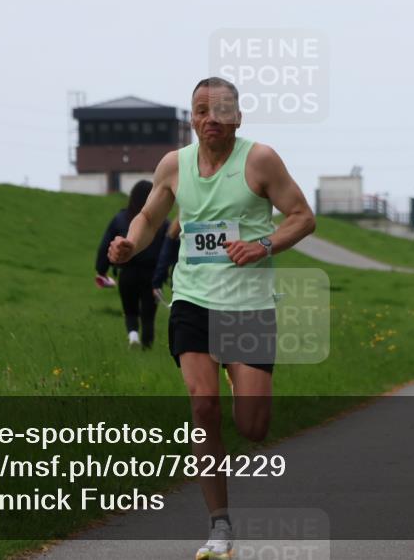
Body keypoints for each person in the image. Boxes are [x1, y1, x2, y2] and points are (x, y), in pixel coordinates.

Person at [108, 76, 315, 560]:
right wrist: (128, 245)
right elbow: (149, 219)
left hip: (248, 307)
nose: (211, 118)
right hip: (193, 301)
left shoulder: (259, 159)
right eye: (201, 110)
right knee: (203, 409)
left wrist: (261, 245)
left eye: (221, 110)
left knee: (253, 426)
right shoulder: (174, 165)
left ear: (238, 116)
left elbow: (303, 216)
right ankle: (219, 528)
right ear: (192, 118)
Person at [96, 180, 169, 349]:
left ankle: (133, 336)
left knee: (130, 309)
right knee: (148, 314)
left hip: (127, 273)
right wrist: (167, 274)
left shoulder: (120, 219)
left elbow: (106, 245)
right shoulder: (162, 224)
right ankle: (147, 345)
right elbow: (169, 251)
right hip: (152, 276)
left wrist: (102, 270)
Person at [151, 218, 181, 306]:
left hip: (183, 287)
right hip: (216, 286)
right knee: (217, 318)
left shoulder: (177, 227)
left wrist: (157, 284)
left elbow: (165, 256)